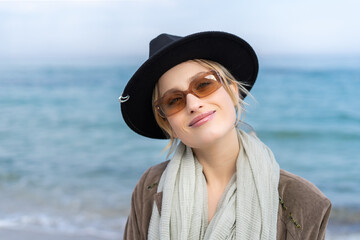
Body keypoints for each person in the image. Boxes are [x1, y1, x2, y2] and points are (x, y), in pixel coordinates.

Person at [119, 31, 331, 240]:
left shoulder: (303, 201)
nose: (193, 104)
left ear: (232, 91)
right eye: (173, 101)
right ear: (167, 123)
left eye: (203, 84)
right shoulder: (150, 186)